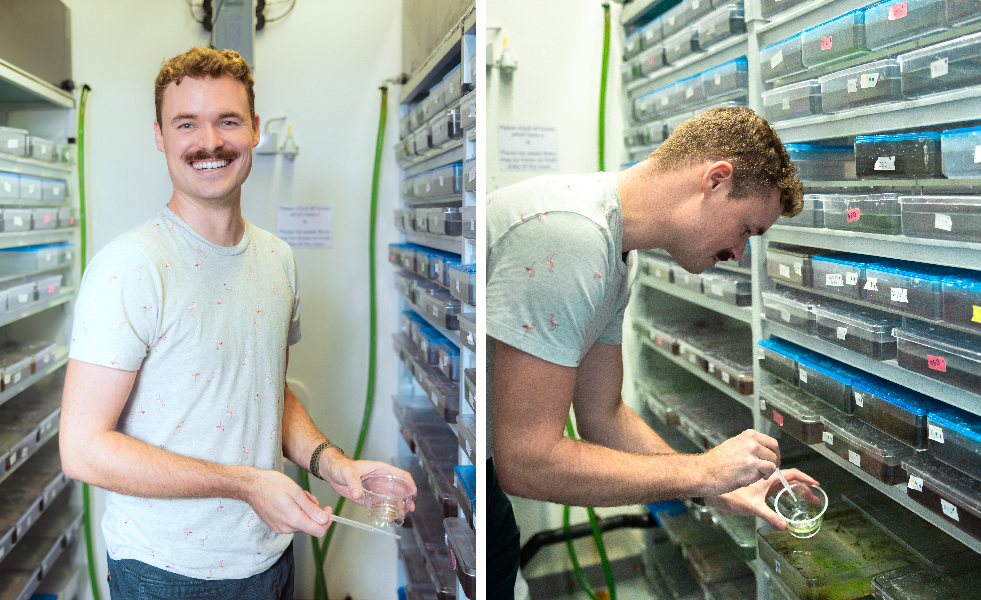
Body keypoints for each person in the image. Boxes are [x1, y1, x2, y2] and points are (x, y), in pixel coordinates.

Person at [59, 47, 414, 599]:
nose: (210, 141)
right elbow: (82, 448)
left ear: (253, 129)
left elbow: (266, 391)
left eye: (228, 120)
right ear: (160, 135)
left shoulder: (277, 260)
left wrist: (334, 465)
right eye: (186, 124)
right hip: (167, 572)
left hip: (270, 555)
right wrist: (246, 484)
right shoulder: (131, 267)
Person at [486, 107, 818, 597]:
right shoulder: (571, 236)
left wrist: (713, 486)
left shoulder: (615, 251)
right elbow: (527, 461)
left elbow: (603, 415)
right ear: (716, 180)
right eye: (747, 228)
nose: (739, 253)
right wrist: (703, 471)